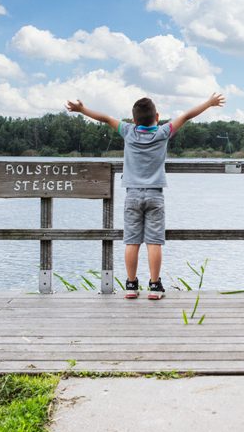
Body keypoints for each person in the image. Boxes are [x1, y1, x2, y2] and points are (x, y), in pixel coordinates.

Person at [66, 93, 225, 299]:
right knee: (154, 242)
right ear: (157, 116)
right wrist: (209, 103)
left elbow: (105, 118)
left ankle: (131, 285)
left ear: (134, 120)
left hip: (132, 194)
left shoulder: (128, 132)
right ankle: (155, 286)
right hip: (155, 195)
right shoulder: (162, 133)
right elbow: (186, 116)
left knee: (131, 241)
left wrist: (82, 110)